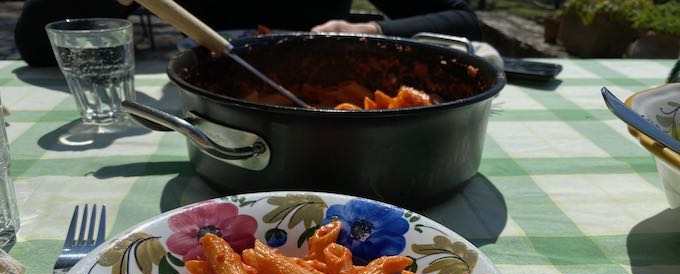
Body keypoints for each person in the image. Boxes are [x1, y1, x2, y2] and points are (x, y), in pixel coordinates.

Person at [15, 0, 482, 67]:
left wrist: (363, 27)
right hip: (205, 93)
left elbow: (460, 18)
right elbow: (34, 45)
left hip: (319, 79)